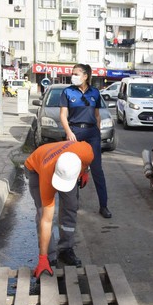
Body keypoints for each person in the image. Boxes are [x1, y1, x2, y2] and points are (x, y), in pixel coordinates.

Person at [25, 141, 94, 277]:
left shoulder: (86, 152)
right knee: (43, 214)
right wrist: (42, 258)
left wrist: (85, 172)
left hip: (67, 169)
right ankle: (49, 257)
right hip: (36, 168)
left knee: (71, 206)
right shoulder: (46, 175)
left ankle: (65, 248)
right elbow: (47, 220)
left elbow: (87, 163)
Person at [60, 63, 112, 218]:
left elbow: (97, 116)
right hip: (75, 132)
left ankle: (104, 206)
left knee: (97, 170)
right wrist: (69, 132)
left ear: (85, 76)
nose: (73, 76)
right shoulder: (67, 92)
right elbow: (63, 115)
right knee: (73, 169)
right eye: (72, 73)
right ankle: (73, 204)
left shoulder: (95, 92)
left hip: (92, 133)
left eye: (76, 74)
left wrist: (98, 133)